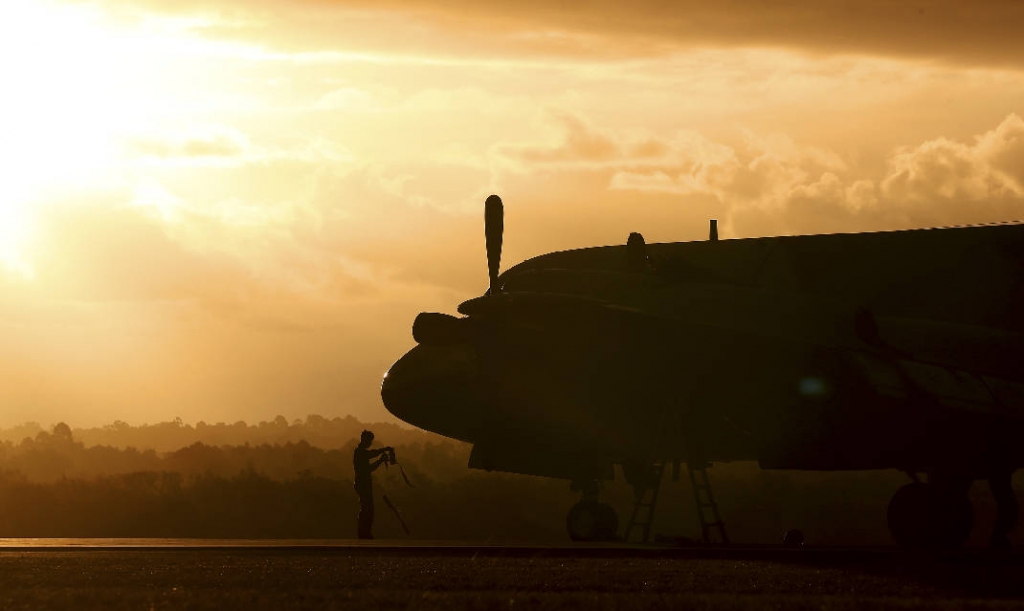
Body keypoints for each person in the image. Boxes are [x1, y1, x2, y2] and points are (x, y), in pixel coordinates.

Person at [353, 430, 392, 539]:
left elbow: (370, 465)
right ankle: (363, 533)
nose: (370, 443)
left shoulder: (361, 452)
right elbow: (370, 459)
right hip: (362, 484)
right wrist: (382, 452)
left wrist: (380, 460)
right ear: (364, 440)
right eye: (369, 441)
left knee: (367, 508)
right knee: (367, 509)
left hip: (364, 483)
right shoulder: (359, 452)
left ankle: (365, 532)